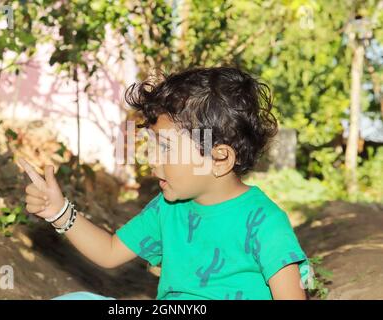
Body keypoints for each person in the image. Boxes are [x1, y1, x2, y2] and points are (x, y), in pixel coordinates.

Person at [18, 66, 311, 300]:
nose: (154, 160)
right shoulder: (167, 208)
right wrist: (59, 212)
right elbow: (109, 251)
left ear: (219, 159)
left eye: (167, 147)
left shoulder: (264, 222)